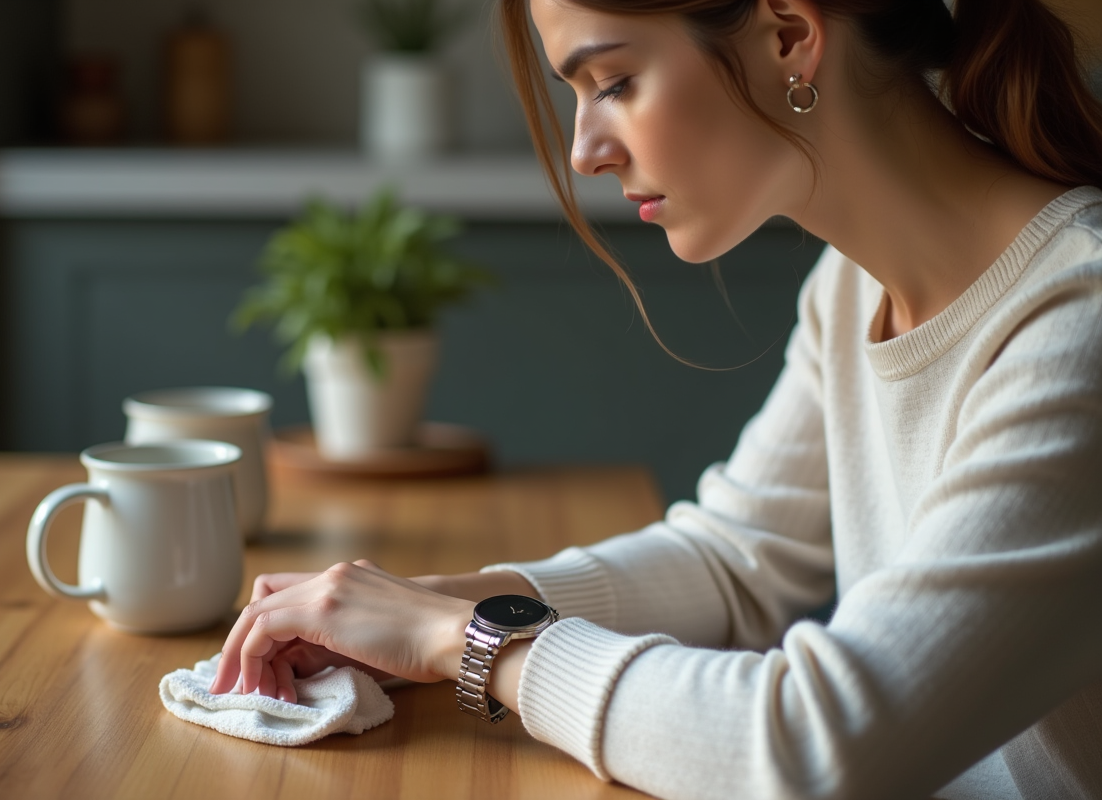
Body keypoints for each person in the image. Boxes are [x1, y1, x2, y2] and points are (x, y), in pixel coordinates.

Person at [209, 0, 1102, 796]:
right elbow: (736, 561)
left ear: (789, 36)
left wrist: (462, 640)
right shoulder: (851, 288)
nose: (583, 152)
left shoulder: (1078, 325)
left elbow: (814, 746)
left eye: (614, 82)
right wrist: (423, 607)